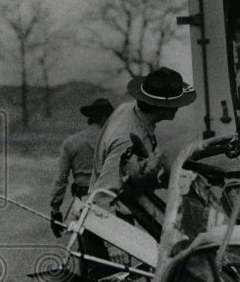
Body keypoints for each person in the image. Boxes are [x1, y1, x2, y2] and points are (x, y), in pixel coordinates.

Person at [89, 67, 197, 209]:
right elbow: (104, 195)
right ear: (161, 108)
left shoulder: (127, 109)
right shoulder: (127, 141)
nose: (178, 107)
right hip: (112, 215)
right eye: (175, 104)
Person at [49, 97, 113, 237]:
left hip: (85, 204)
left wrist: (55, 210)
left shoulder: (71, 143)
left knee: (87, 251)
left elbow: (61, 180)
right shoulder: (116, 141)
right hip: (114, 204)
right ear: (104, 117)